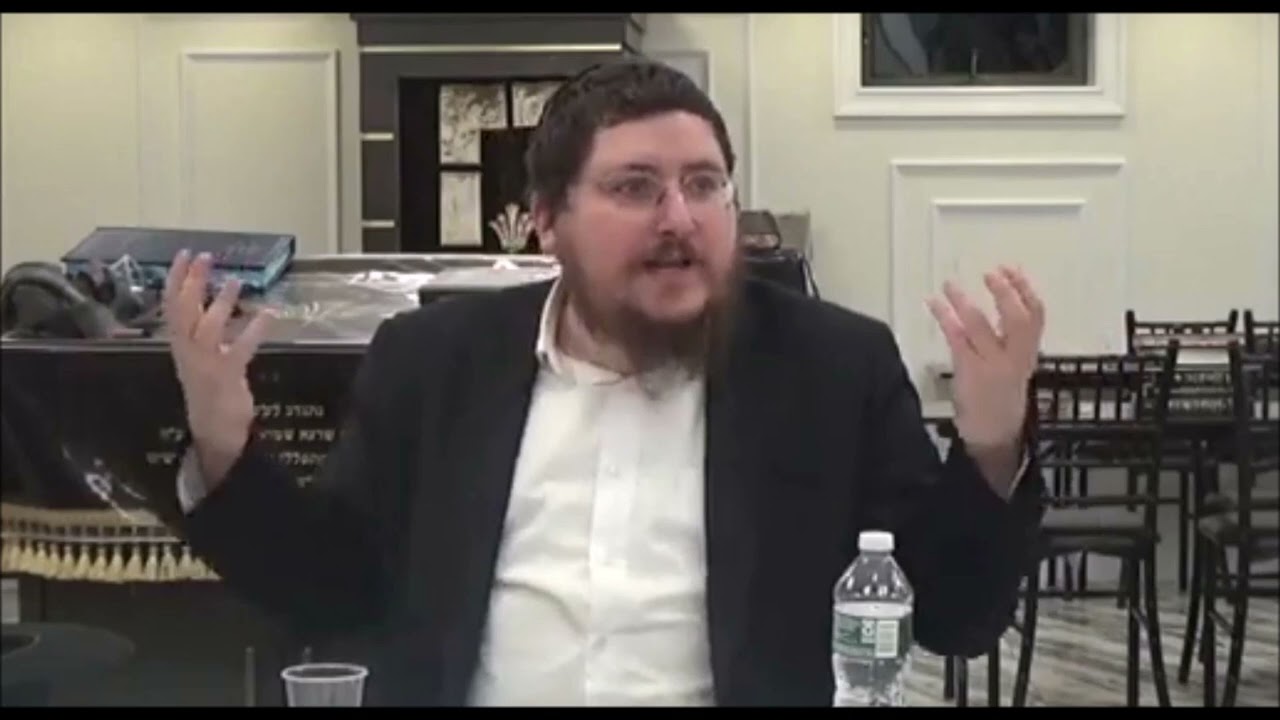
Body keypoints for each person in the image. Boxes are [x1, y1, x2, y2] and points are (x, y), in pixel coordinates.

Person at [161, 59, 1046, 707]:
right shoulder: (434, 363)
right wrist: (225, 448)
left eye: (705, 185)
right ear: (547, 221)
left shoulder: (831, 368)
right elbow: (332, 589)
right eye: (635, 187)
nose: (679, 218)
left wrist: (992, 446)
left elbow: (953, 618)